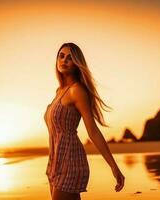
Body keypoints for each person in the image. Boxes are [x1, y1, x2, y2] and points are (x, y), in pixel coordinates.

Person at [44, 42, 125, 200]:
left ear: (77, 63)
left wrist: (114, 167)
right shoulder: (59, 92)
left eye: (70, 58)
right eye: (61, 56)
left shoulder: (77, 90)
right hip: (55, 161)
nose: (64, 60)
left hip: (70, 160)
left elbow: (93, 131)